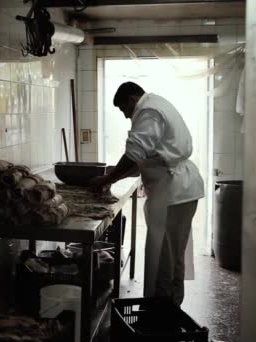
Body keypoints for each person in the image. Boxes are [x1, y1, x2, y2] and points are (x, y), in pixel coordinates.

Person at [90, 82, 204, 306]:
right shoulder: (155, 104)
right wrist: (113, 177)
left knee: (164, 258)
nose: (125, 116)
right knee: (170, 257)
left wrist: (106, 179)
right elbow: (142, 161)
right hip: (177, 192)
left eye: (124, 109)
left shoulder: (148, 111)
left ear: (132, 100)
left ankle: (160, 314)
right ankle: (170, 308)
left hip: (173, 192)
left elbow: (135, 153)